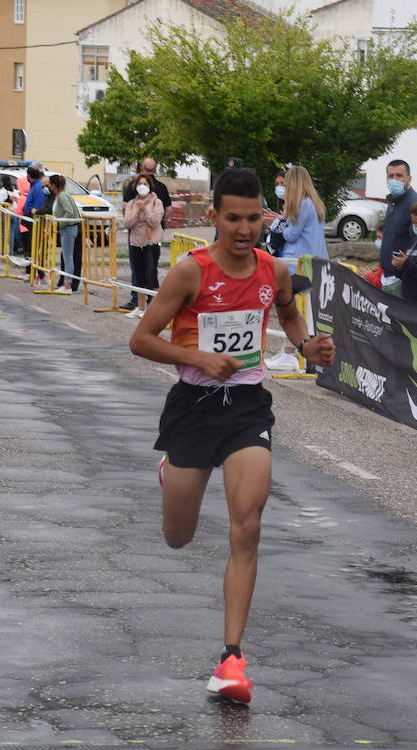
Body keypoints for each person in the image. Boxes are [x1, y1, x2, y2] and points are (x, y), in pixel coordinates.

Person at [128, 168, 335, 705]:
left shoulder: (274, 269)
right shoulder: (189, 272)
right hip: (193, 407)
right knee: (179, 536)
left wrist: (306, 346)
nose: (244, 230)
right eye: (233, 219)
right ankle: (171, 473)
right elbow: (141, 340)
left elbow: (288, 313)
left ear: (263, 216)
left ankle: (231, 659)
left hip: (246, 406)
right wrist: (197, 357)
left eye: (253, 218)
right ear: (214, 217)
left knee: (248, 527)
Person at [375, 159, 417, 292]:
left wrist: (406, 267)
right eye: (391, 176)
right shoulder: (393, 201)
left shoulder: (415, 205)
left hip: (400, 279)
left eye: (399, 176)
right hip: (387, 275)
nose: (394, 180)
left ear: (409, 179)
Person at [123, 173, 165, 310]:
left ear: (149, 186)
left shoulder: (157, 202)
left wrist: (145, 210)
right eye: (139, 184)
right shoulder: (131, 203)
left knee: (151, 277)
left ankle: (155, 308)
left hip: (151, 243)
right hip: (136, 243)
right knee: (139, 277)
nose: (142, 186)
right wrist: (136, 211)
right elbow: (127, 223)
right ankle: (140, 308)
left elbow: (155, 222)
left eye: (145, 184)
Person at [270, 165, 327, 261]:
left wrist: (279, 222)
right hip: (316, 257)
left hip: (299, 260)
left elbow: (291, 235)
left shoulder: (301, 204)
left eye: (286, 185)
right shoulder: (315, 203)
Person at [48, 173, 83, 292]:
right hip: (69, 229)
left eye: (50, 184)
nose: (48, 186)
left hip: (68, 229)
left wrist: (60, 223)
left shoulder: (62, 196)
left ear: (54, 185)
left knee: (68, 258)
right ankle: (67, 284)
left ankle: (67, 285)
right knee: (68, 257)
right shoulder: (63, 195)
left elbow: (69, 212)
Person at [20, 166, 46, 279]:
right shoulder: (35, 186)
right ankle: (35, 272)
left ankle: (33, 272)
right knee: (30, 246)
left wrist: (30, 211)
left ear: (29, 176)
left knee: (32, 247)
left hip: (35, 221)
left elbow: (38, 205)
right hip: (30, 220)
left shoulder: (37, 187)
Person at [261, 168, 287, 256]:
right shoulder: (281, 206)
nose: (279, 186)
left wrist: (278, 222)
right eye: (277, 184)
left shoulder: (296, 206)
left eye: (282, 183)